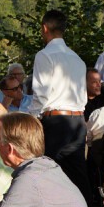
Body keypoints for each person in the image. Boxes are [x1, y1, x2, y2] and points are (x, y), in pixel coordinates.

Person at [27, 10, 91, 195]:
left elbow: (41, 94)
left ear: (44, 28)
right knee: (78, 175)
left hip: (55, 122)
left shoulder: (45, 55)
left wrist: (32, 120)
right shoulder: (77, 59)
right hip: (77, 121)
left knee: (47, 173)